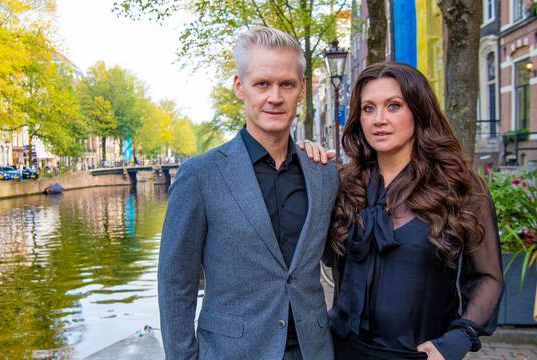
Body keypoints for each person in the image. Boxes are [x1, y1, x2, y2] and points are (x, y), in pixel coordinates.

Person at [158, 27, 337, 360]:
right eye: (262, 84)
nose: (275, 97)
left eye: (287, 84)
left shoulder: (323, 173)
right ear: (240, 87)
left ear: (301, 90)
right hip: (232, 351)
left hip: (314, 351)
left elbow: (339, 262)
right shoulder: (200, 176)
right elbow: (175, 283)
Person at [325, 62, 504, 360]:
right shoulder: (342, 185)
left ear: (418, 110)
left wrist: (461, 338)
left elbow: (488, 276)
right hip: (342, 351)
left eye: (394, 106)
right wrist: (303, 161)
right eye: (368, 108)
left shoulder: (459, 187)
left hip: (420, 354)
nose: (379, 119)